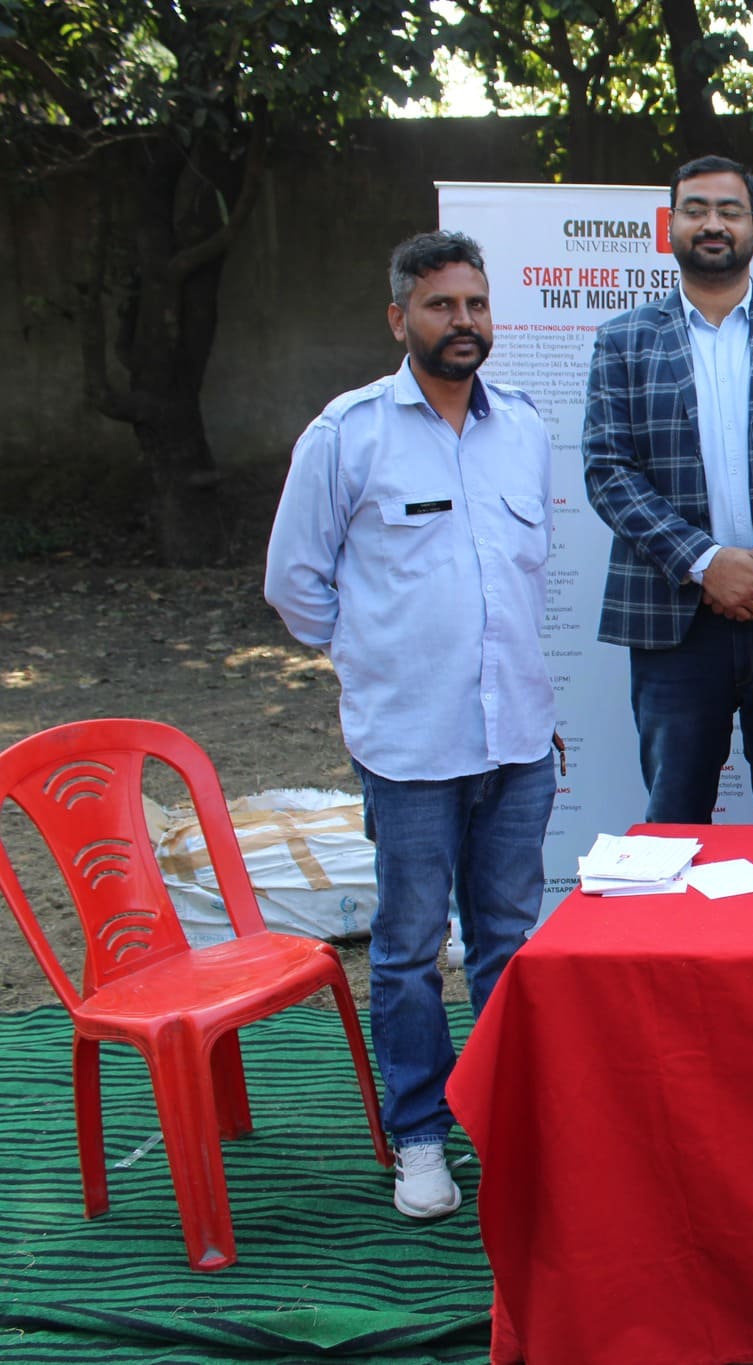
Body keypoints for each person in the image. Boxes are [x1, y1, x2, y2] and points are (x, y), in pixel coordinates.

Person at [265, 230, 556, 1219]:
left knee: (508, 942)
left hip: (517, 741)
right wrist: (381, 658)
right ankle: (421, 1134)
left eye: (475, 304)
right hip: (411, 748)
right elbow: (296, 586)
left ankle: (509, 1117)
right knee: (407, 950)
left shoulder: (523, 427)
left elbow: (521, 579)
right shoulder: (346, 434)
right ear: (400, 319)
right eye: (440, 305)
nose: (462, 322)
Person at [583, 155, 753, 824]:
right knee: (675, 812)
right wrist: (707, 563)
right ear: (670, 225)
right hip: (675, 615)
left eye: (729, 210)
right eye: (696, 209)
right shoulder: (624, 341)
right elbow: (608, 469)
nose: (713, 223)